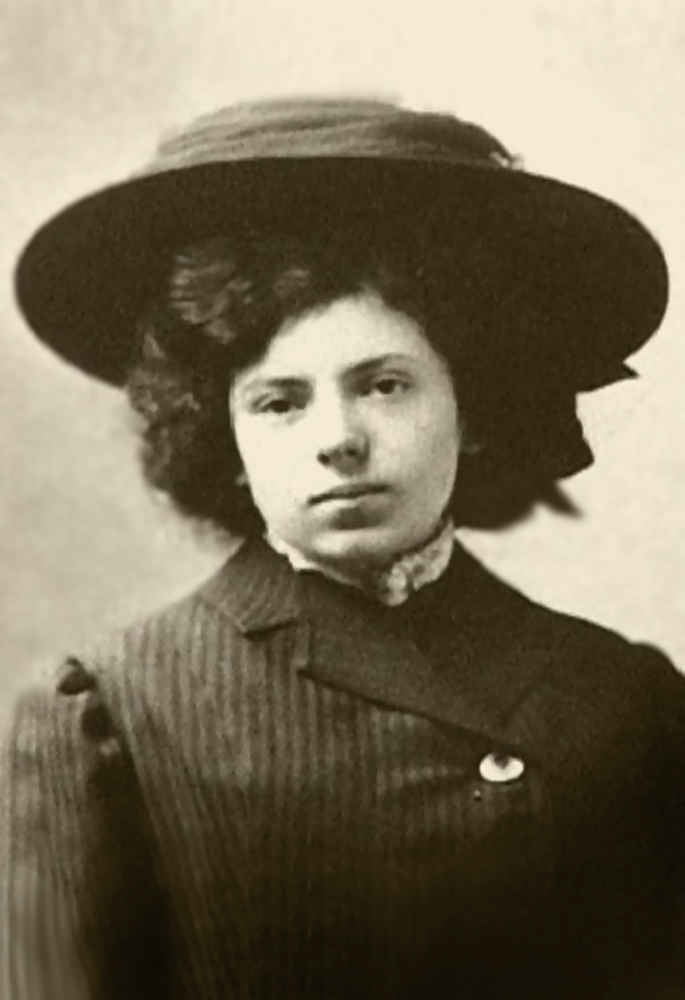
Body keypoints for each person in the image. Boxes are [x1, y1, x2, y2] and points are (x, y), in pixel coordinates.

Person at [2, 98, 683, 999]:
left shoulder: (622, 699)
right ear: (224, 439)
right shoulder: (112, 716)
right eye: (280, 402)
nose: (338, 440)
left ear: (473, 408)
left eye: (384, 385)